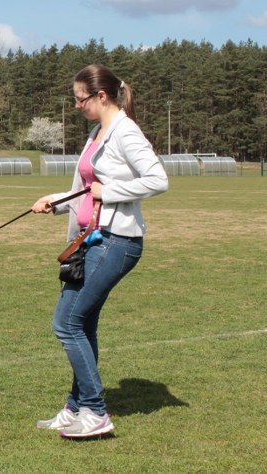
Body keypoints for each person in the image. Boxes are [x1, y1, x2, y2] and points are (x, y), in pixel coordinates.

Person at [31, 64, 168, 438]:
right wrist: (55, 201)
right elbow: (86, 189)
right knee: (82, 323)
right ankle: (76, 408)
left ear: (101, 96)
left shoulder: (126, 132)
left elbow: (158, 180)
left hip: (116, 242)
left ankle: (95, 411)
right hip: (90, 240)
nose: (77, 106)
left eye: (81, 99)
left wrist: (110, 192)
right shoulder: (97, 132)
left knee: (66, 323)